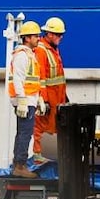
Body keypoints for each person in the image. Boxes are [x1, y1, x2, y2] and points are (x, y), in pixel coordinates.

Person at [7, 21, 42, 178]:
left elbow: (32, 81)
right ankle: (20, 165)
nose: (38, 38)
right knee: (25, 133)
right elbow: (18, 80)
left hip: (29, 100)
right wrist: (22, 100)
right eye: (35, 36)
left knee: (23, 132)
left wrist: (38, 99)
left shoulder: (28, 54)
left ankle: (18, 164)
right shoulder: (22, 55)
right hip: (25, 101)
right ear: (27, 38)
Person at [32, 17, 68, 164]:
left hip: (57, 97)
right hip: (48, 98)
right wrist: (43, 100)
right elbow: (41, 78)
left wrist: (64, 98)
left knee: (53, 128)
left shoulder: (52, 49)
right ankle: (39, 157)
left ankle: (49, 155)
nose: (61, 38)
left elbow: (57, 78)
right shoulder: (42, 50)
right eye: (59, 35)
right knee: (41, 126)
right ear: (50, 34)